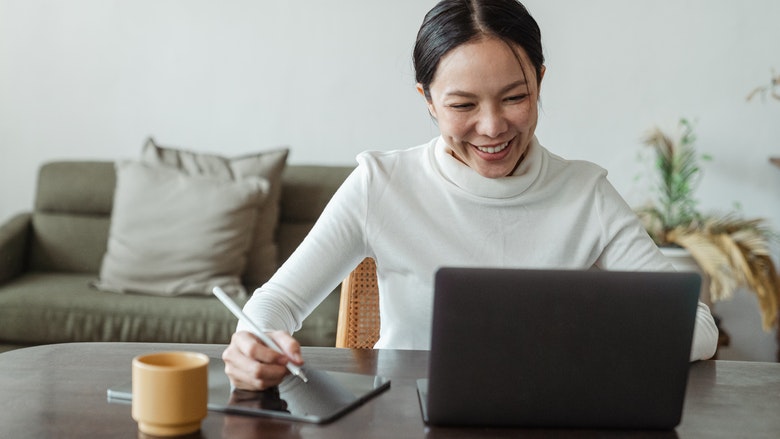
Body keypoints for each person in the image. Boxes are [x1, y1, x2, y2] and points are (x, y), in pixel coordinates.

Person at [223, 0, 719, 390]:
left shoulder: (585, 192)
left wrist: (587, 336)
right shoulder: (381, 184)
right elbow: (277, 303)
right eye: (462, 104)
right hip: (402, 417)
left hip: (548, 416)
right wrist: (253, 344)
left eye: (516, 97)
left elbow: (697, 326)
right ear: (428, 101)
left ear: (540, 81)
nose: (492, 127)